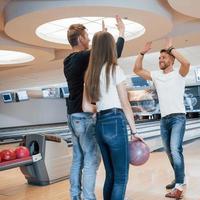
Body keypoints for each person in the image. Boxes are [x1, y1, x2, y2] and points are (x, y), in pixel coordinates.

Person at [63, 16, 125, 200]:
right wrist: (120, 33)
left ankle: (75, 196)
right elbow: (114, 53)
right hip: (84, 115)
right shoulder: (83, 57)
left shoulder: (67, 60)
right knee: (91, 160)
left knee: (77, 159)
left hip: (72, 115)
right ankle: (88, 197)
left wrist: (102, 36)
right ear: (81, 39)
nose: (89, 40)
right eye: (87, 36)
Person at [84, 31, 140, 200]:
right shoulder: (115, 69)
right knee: (121, 178)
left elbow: (87, 107)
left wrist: (102, 109)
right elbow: (125, 104)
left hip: (100, 123)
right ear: (110, 48)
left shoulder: (90, 73)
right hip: (115, 122)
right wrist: (135, 132)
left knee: (110, 175)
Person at [133, 39, 190, 199]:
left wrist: (171, 49)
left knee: (175, 150)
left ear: (171, 60)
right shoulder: (156, 75)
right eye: (159, 58)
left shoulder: (179, 74)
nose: (160, 60)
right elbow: (137, 69)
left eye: (163, 58)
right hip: (164, 120)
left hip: (178, 117)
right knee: (170, 152)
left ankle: (179, 187)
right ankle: (181, 178)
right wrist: (142, 53)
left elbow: (187, 62)